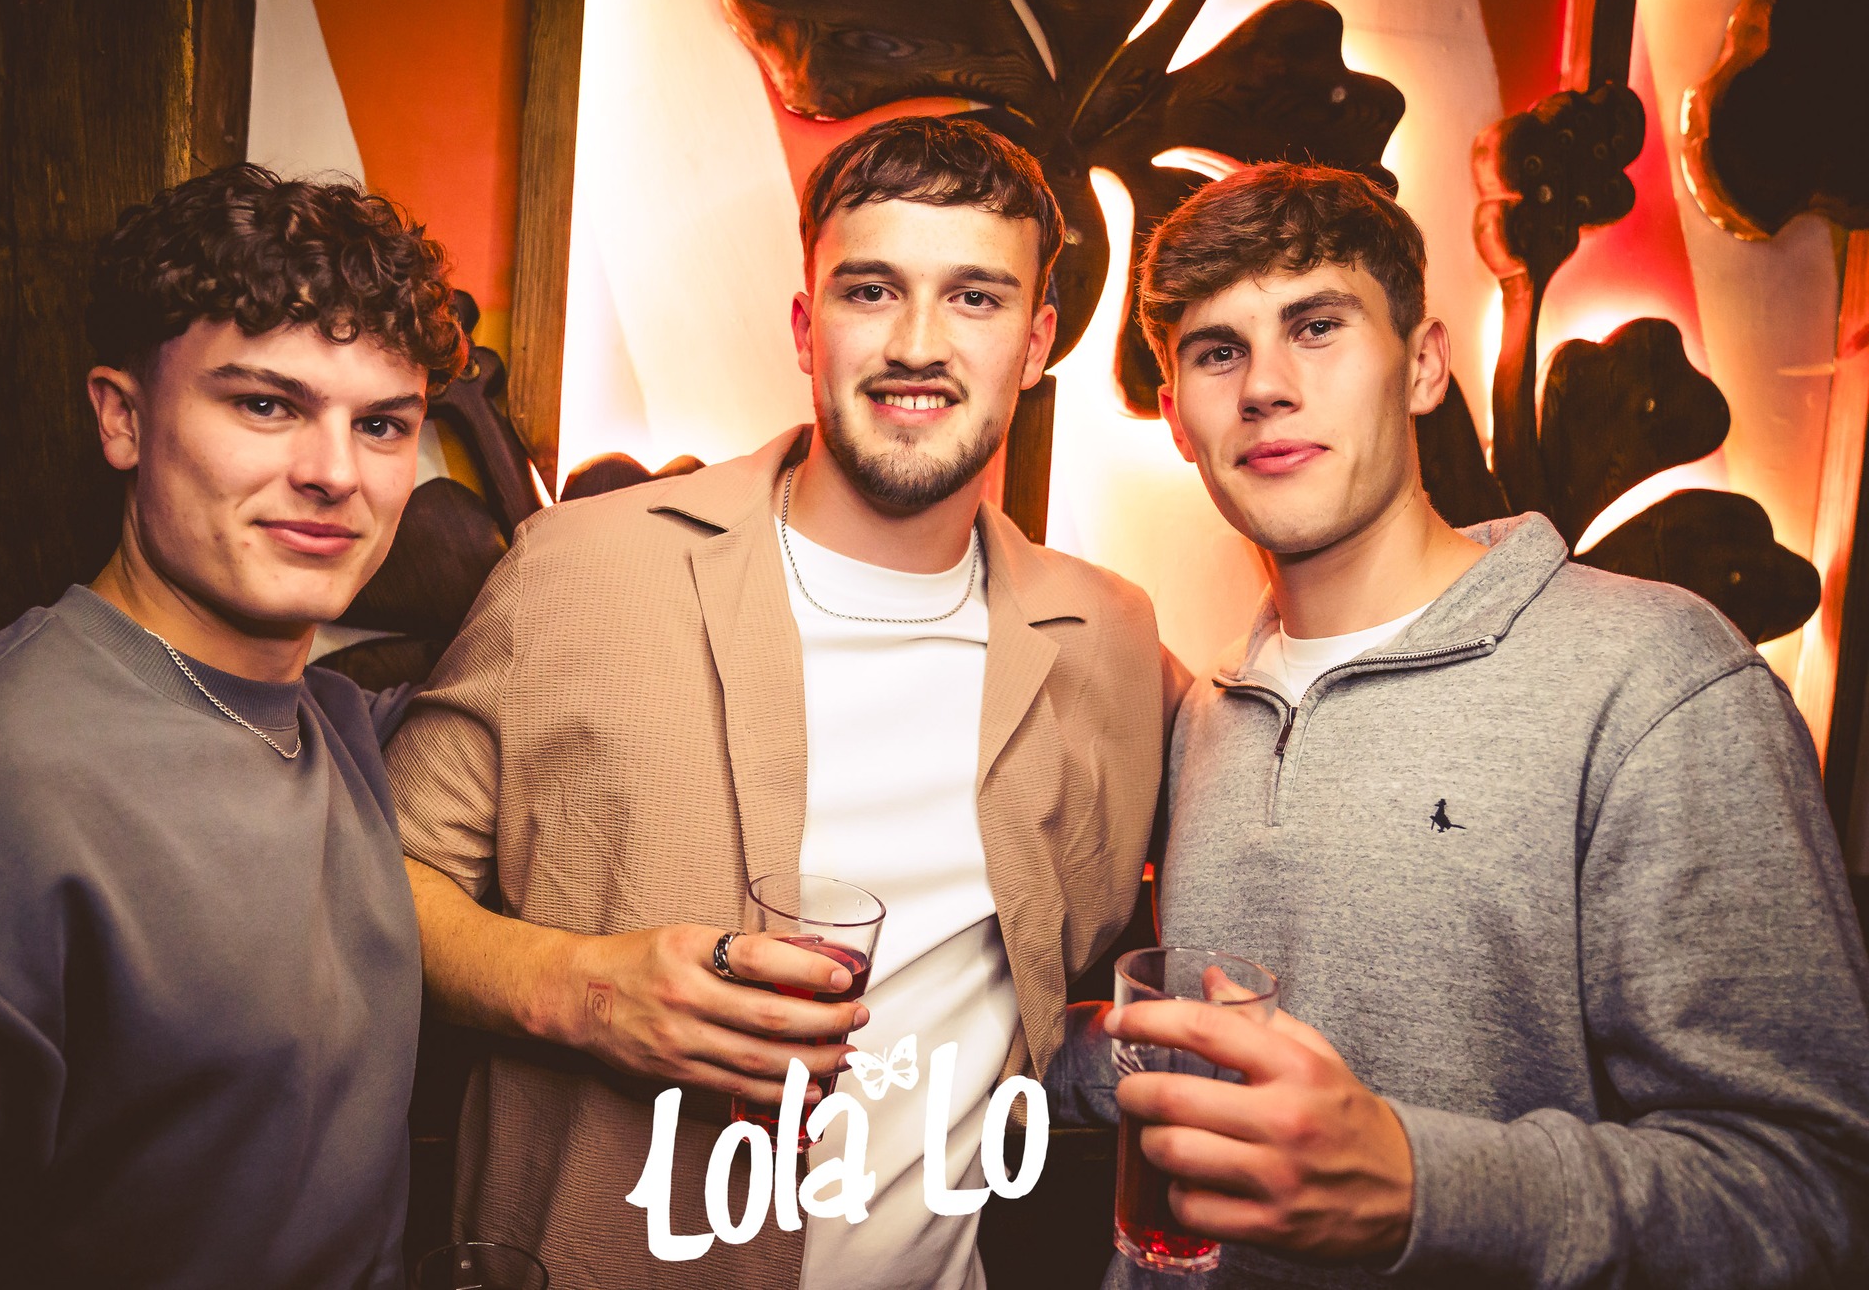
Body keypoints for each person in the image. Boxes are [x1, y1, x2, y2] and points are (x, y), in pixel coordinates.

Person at [387, 115, 1182, 1290]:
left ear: (1035, 343)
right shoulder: (582, 566)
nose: (917, 345)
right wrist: (585, 995)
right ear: (807, 328)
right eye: (871, 290)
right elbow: (377, 887)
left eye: (974, 298)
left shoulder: (1107, 637)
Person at [1104, 162, 1869, 1286]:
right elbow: (1201, 1056)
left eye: (1316, 326)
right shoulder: (1203, 711)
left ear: (1422, 365)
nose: (1265, 385)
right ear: (1177, 418)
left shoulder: (1654, 676)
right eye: (1218, 351)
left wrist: (1424, 1186)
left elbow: (1810, 1189)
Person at [0, 164, 466, 1289]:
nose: (333, 474)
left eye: (381, 425)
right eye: (265, 404)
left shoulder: (338, 725)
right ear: (122, 417)